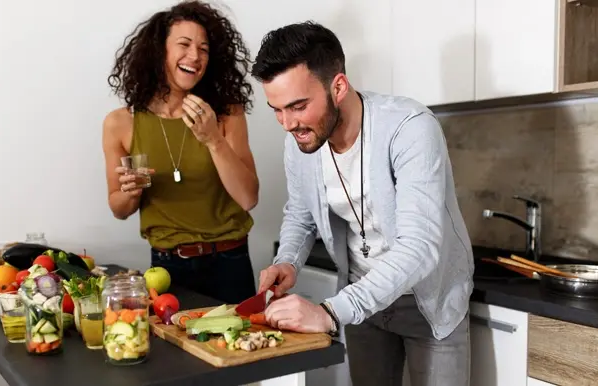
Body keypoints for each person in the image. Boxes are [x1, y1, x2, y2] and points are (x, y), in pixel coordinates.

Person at [252, 21, 474, 386]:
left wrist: (329, 312)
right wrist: (287, 261)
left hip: (429, 301)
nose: (287, 124)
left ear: (337, 86)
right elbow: (301, 214)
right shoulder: (301, 140)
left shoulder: (410, 126)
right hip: (363, 302)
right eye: (276, 109)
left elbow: (419, 247)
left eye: (298, 106)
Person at [102, 0, 259, 305]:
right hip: (167, 267)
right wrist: (131, 192)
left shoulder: (226, 114)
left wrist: (213, 138)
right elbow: (118, 208)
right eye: (184, 44)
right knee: (174, 352)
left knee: (237, 349)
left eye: (204, 49)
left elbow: (249, 198)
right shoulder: (121, 123)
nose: (195, 56)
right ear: (159, 51)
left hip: (230, 263)